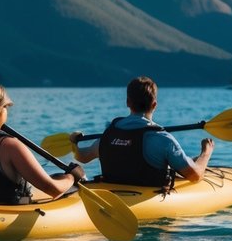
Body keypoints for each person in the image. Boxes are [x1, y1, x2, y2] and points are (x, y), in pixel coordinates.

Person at [71, 76, 214, 187]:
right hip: (147, 200)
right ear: (154, 105)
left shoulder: (108, 135)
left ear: (128, 102)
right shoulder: (163, 140)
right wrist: (206, 152)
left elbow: (82, 157)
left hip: (111, 195)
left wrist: (74, 143)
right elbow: (195, 176)